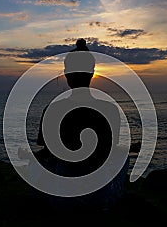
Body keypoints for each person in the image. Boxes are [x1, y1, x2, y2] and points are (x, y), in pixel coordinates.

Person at [36, 39, 129, 209]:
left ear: (66, 74)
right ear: (92, 73)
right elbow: (109, 152)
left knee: (43, 162)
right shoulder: (110, 110)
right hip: (100, 201)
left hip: (61, 201)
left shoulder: (53, 109)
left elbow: (46, 155)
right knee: (123, 157)